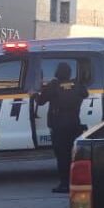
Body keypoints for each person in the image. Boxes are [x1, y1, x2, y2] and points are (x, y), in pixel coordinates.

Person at [35, 62, 89, 194]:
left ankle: (64, 184)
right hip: (74, 124)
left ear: (57, 73)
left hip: (59, 125)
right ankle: (75, 182)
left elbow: (41, 101)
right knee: (73, 155)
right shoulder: (77, 85)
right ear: (69, 73)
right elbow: (85, 94)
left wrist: (34, 94)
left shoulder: (53, 85)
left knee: (62, 156)